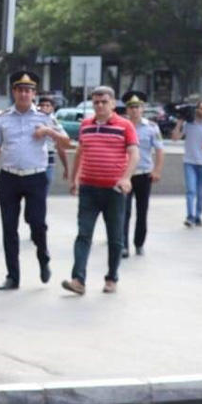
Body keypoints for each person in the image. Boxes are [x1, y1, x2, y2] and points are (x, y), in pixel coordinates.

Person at [0, 72, 69, 291]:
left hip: (36, 176)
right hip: (10, 177)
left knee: (37, 222)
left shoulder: (44, 118)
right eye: (20, 90)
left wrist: (48, 131)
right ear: (14, 92)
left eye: (28, 90)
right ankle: (13, 276)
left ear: (34, 94)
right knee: (9, 228)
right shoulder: (3, 119)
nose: (23, 94)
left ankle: (43, 255)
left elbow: (66, 142)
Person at [61, 86, 138, 295]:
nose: (100, 105)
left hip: (113, 190)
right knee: (83, 235)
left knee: (115, 237)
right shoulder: (86, 125)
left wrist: (126, 177)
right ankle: (78, 280)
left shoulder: (125, 126)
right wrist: (74, 178)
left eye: (104, 101)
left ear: (112, 103)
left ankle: (112, 277)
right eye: (96, 102)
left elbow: (134, 154)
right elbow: (80, 152)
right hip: (88, 189)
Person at [120, 91, 164, 257]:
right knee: (124, 211)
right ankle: (123, 245)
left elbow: (159, 150)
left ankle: (139, 243)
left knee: (142, 210)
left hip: (144, 173)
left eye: (137, 107)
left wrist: (157, 170)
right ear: (127, 109)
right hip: (125, 175)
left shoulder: (152, 127)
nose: (134, 110)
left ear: (143, 108)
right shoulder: (122, 126)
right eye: (131, 107)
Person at [171, 99, 202, 227]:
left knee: (200, 192)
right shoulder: (189, 124)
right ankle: (190, 217)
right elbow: (175, 138)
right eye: (201, 108)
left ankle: (198, 216)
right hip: (189, 162)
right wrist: (179, 123)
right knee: (191, 190)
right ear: (196, 109)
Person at [37, 96, 70, 186]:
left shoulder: (54, 123)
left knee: (43, 192)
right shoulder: (32, 119)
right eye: (42, 105)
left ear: (52, 108)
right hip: (34, 162)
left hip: (48, 161)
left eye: (47, 105)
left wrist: (66, 167)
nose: (44, 108)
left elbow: (62, 146)